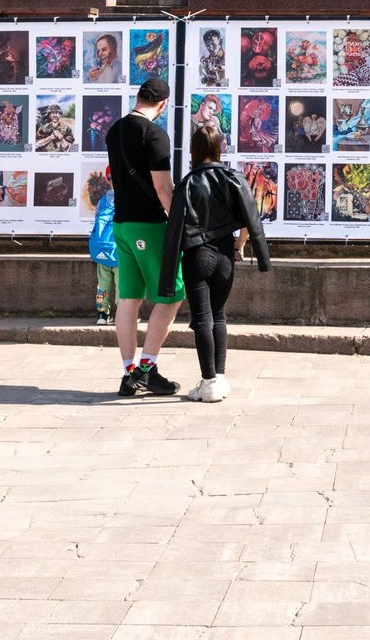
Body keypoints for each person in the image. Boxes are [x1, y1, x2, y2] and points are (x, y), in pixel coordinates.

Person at [163, 122, 270, 402]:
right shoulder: (234, 178)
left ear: (194, 151)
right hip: (225, 256)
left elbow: (174, 228)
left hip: (197, 256)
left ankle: (208, 381)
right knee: (219, 316)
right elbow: (251, 219)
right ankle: (218, 379)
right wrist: (240, 245)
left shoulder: (186, 184)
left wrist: (168, 267)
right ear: (218, 148)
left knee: (202, 320)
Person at [107, 77, 183, 397]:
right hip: (149, 227)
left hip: (121, 224)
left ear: (138, 97)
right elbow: (164, 189)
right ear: (163, 105)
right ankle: (147, 370)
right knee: (170, 295)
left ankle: (129, 372)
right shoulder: (154, 135)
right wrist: (180, 225)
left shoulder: (115, 130)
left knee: (128, 298)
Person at [87, 170, 116, 325]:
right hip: (119, 251)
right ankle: (125, 315)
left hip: (102, 250)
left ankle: (102, 314)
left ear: (107, 179)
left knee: (103, 283)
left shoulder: (103, 201)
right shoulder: (128, 199)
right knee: (123, 284)